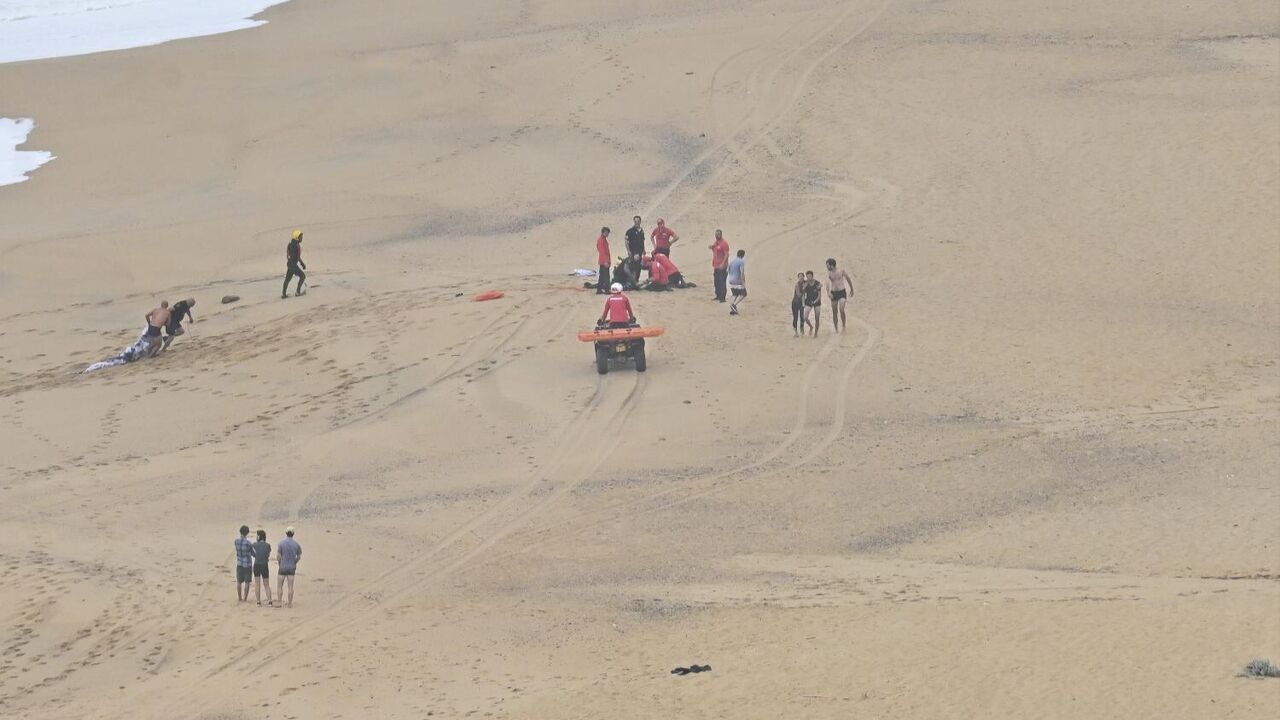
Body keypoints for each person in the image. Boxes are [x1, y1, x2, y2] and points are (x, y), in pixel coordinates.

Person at [275, 526, 302, 608]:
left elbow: (278, 556)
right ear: (293, 534)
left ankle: (279, 601)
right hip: (291, 567)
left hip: (283, 566)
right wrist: (295, 562)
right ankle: (290, 603)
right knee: (290, 586)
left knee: (280, 585)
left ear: (286, 533)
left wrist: (280, 563)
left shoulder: (281, 543)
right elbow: (299, 556)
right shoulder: (296, 544)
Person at [826, 258, 854, 333]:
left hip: (842, 292)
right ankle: (836, 328)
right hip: (833, 293)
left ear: (831, 265)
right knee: (834, 311)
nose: (827, 267)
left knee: (841, 309)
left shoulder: (841, 271)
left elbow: (848, 278)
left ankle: (844, 325)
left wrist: (852, 288)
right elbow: (827, 283)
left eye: (828, 265)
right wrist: (828, 292)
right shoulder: (829, 273)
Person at [251, 529, 273, 606]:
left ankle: (258, 602)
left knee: (257, 584)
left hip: (257, 564)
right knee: (266, 584)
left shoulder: (254, 544)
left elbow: (252, 553)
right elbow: (268, 554)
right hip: (264, 565)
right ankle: (270, 601)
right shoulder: (268, 545)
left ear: (259, 536)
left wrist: (256, 556)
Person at [282, 230, 306, 299]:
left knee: (287, 279)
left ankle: (283, 294)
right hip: (293, 265)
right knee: (303, 276)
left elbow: (288, 255)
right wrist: (302, 264)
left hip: (289, 264)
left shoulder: (289, 244)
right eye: (300, 237)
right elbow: (298, 257)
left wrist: (291, 262)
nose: (301, 238)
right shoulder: (297, 246)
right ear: (297, 237)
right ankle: (298, 292)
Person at [709, 229, 730, 302]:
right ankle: (718, 295)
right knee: (716, 281)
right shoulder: (716, 243)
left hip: (722, 266)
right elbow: (715, 252)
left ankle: (722, 297)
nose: (717, 235)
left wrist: (723, 264)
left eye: (718, 234)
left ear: (721, 235)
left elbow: (726, 254)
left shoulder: (724, 243)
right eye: (716, 234)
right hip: (716, 265)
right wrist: (712, 248)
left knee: (722, 282)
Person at [234, 525, 253, 603]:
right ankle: (245, 598)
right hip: (247, 563)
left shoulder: (236, 541)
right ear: (247, 533)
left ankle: (239, 597)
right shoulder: (248, 543)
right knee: (247, 581)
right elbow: (252, 553)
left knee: (239, 581)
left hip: (239, 562)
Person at [802, 270, 823, 336]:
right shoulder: (805, 283)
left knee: (817, 318)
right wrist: (804, 287)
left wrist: (816, 301)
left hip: (817, 301)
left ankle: (816, 333)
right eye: (807, 277)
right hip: (808, 301)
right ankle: (811, 326)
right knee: (805, 317)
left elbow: (819, 295)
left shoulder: (817, 283)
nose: (809, 278)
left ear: (812, 276)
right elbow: (802, 293)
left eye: (810, 276)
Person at [727, 249, 747, 315]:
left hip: (731, 280)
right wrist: (743, 281)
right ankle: (734, 305)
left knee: (735, 294)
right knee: (743, 294)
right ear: (743, 255)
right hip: (737, 280)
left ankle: (733, 308)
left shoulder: (732, 261)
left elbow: (729, 271)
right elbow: (742, 272)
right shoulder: (741, 262)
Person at [595, 227, 612, 294]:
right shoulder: (601, 240)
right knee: (606, 276)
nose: (607, 234)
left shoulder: (603, 239)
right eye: (606, 232)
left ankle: (599, 289)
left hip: (603, 260)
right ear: (603, 232)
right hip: (604, 261)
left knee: (602, 276)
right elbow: (602, 252)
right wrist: (605, 261)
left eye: (607, 233)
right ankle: (606, 290)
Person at [791, 272, 807, 337]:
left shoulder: (806, 283)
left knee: (802, 317)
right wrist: (804, 289)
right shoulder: (797, 285)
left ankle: (802, 329)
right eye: (799, 277)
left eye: (802, 276)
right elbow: (799, 294)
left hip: (802, 303)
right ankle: (795, 332)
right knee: (795, 317)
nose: (801, 278)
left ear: (804, 277)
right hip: (795, 303)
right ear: (798, 278)